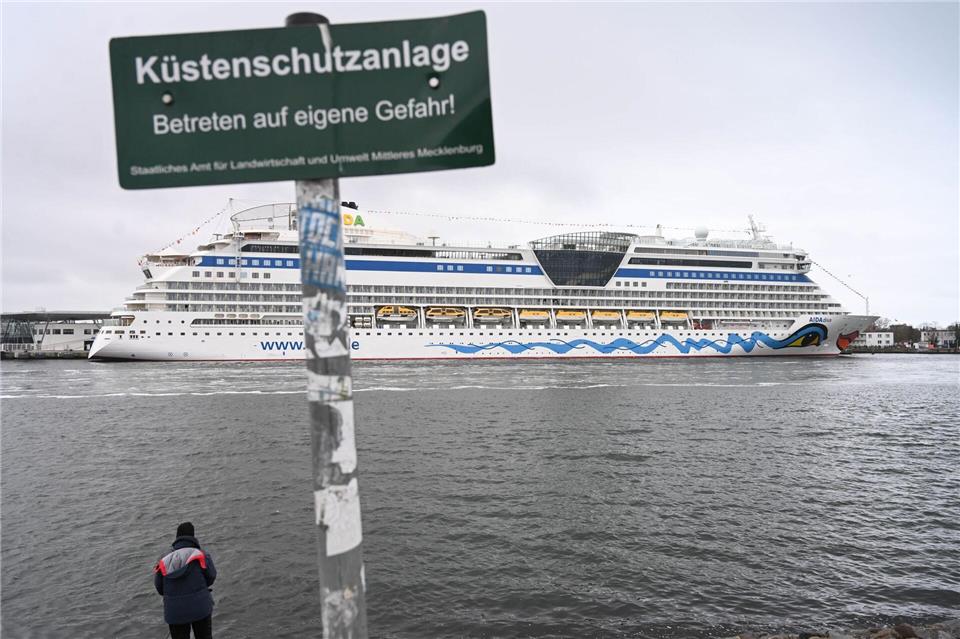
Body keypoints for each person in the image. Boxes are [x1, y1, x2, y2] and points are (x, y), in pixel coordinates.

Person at [154, 522, 217, 639]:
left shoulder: (164, 558)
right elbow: (211, 577)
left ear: (177, 537)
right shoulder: (201, 554)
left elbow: (159, 587)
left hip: (175, 613)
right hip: (200, 608)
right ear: (193, 537)